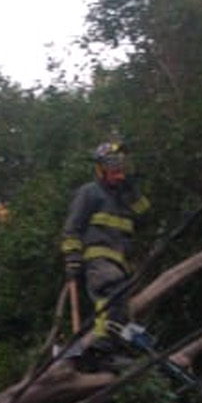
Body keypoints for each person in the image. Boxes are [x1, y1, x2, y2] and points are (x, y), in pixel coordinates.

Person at [60, 137, 149, 361]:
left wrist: (133, 190)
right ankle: (102, 344)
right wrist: (72, 256)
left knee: (123, 305)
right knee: (110, 291)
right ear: (100, 169)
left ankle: (118, 348)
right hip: (99, 257)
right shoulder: (90, 192)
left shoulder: (124, 196)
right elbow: (72, 227)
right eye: (113, 169)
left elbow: (145, 216)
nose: (119, 174)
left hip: (123, 262)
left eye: (122, 169)